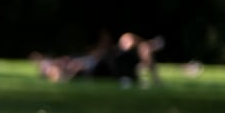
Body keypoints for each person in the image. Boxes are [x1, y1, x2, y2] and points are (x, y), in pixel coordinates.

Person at [32, 31, 163, 86]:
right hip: (103, 64)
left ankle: (150, 45)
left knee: (135, 44)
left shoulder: (80, 64)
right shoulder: (83, 68)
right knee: (139, 46)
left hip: (102, 63)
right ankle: (151, 44)